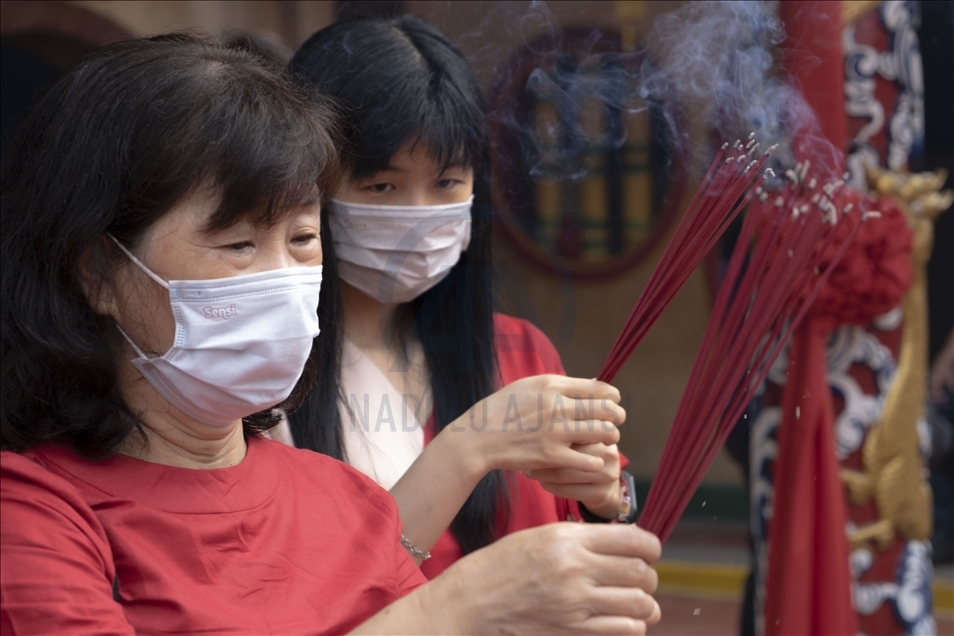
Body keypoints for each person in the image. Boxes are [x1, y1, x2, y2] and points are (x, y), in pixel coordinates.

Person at [0, 33, 663, 634]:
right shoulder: (34, 513)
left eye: (301, 240)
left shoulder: (341, 499)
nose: (283, 279)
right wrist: (454, 607)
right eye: (237, 244)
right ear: (99, 271)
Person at [285, 14, 634, 579]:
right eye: (382, 185)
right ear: (310, 187)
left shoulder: (521, 355)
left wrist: (605, 499)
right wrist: (469, 449)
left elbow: (603, 555)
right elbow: (309, 593)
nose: (420, 215)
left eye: (447, 182)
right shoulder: (262, 378)